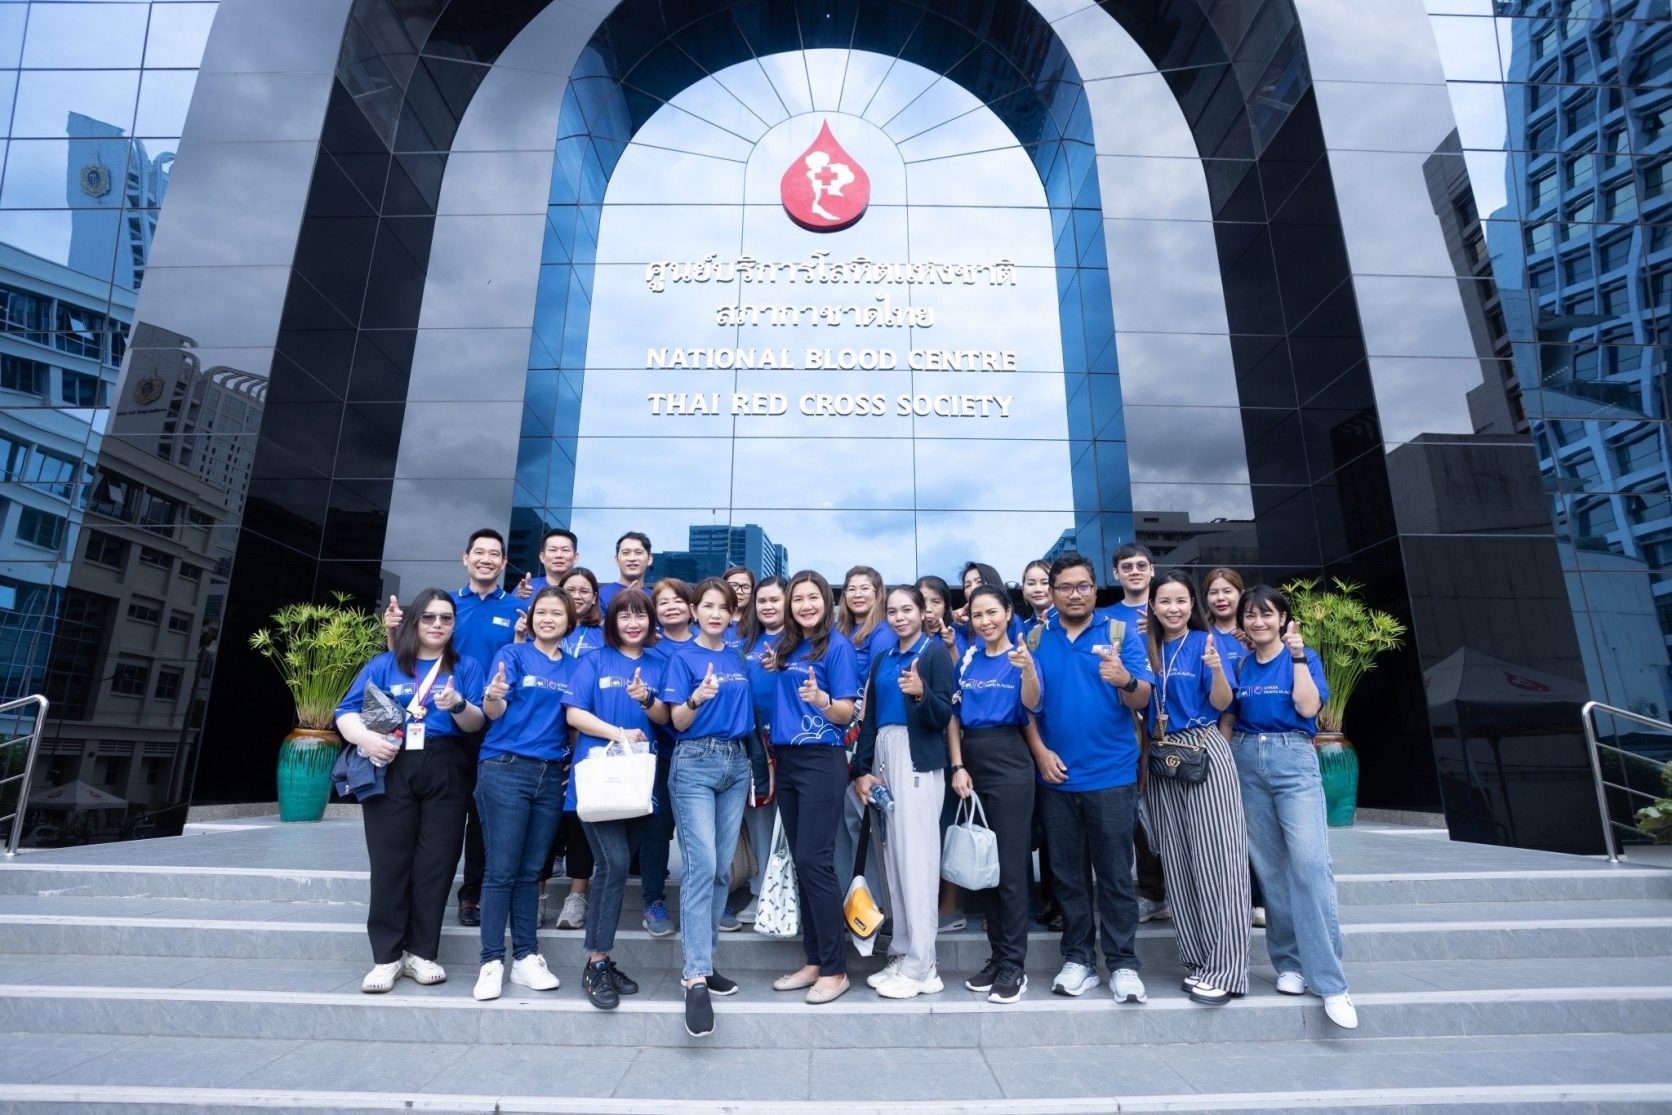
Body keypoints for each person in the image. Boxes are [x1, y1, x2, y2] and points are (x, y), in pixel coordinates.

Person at [1220, 585, 1357, 1030]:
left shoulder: (1305, 657)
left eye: (1267, 614)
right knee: (1271, 869)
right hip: (1246, 758)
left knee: (1310, 864)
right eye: (1251, 615)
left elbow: (1308, 706)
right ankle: (1290, 963)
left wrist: (1297, 657)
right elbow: (1230, 717)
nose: (1258, 622)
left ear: (1283, 619)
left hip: (1293, 758)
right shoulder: (1241, 663)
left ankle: (1330, 981)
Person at [337, 589, 485, 993]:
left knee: (437, 862)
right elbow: (346, 712)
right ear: (414, 621)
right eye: (429, 617)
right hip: (391, 762)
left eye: (446, 618)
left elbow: (476, 724)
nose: (437, 625)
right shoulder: (385, 664)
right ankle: (386, 957)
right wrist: (368, 740)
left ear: (454, 625)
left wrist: (458, 705)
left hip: (447, 764)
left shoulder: (465, 666)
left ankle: (422, 953)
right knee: (390, 862)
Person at [1030, 552, 1153, 1004]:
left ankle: (1123, 964)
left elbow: (1143, 699)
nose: (1075, 594)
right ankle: (1079, 960)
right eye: (1065, 587)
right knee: (1068, 877)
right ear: (1052, 592)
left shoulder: (1119, 632)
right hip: (1057, 777)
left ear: (1095, 589)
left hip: (1112, 774)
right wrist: (1040, 753)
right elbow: (1027, 707)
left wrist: (1124, 679)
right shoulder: (1036, 638)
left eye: (1083, 586)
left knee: (1116, 876)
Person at [659, 577, 763, 1037]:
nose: (716, 613)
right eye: (708, 606)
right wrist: (696, 698)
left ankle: (707, 959)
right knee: (701, 866)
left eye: (725, 607)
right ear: (694, 611)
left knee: (722, 869)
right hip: (695, 762)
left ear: (734, 614)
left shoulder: (737, 655)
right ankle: (695, 975)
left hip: (735, 764)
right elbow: (677, 721)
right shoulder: (682, 658)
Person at [1143, 572, 1247, 1006]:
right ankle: (1199, 961)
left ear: (1193, 605)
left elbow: (1223, 703)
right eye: (1165, 601)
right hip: (1162, 758)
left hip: (1203, 748)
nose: (1173, 608)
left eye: (1181, 601)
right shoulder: (1146, 648)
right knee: (1179, 863)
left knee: (1217, 862)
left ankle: (1227, 969)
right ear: (1152, 606)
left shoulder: (1208, 642)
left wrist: (1218, 669)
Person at [562, 588, 669, 1009]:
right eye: (624, 615)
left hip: (640, 781)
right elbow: (574, 713)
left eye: (640, 615)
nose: (633, 623)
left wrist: (647, 700)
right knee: (614, 863)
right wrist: (620, 733)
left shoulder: (660, 663)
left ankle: (600, 960)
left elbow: (665, 717)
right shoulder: (594, 660)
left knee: (615, 868)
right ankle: (596, 962)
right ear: (612, 621)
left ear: (650, 621)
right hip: (600, 779)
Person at [470, 586, 576, 1001]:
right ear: (531, 618)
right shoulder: (512, 655)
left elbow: (574, 719)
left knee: (532, 871)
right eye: (541, 612)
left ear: (569, 621)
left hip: (550, 775)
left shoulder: (575, 666)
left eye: (557, 613)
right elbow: (494, 711)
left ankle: (526, 958)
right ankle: (491, 961)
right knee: (501, 870)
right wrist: (492, 697)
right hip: (505, 768)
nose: (548, 619)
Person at [852, 585, 955, 999]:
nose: (899, 617)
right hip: (883, 752)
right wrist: (862, 770)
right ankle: (903, 952)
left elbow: (944, 714)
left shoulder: (934, 654)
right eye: (892, 611)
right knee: (894, 863)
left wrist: (921, 693)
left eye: (907, 609)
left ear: (923, 611)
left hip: (917, 758)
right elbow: (870, 719)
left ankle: (923, 966)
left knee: (917, 862)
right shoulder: (883, 658)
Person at [947, 584, 1045, 1004]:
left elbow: (1033, 705)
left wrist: (1028, 671)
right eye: (977, 615)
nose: (985, 621)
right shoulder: (968, 659)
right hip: (972, 762)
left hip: (1010, 761)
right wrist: (957, 766)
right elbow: (953, 717)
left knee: (1010, 869)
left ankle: (1013, 966)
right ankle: (997, 956)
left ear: (1008, 613)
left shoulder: (1023, 656)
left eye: (992, 612)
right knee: (983, 865)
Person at [768, 570, 859, 1006]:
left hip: (822, 760)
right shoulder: (786, 646)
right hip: (787, 759)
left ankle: (836, 970)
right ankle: (814, 960)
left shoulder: (837, 647)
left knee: (815, 862)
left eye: (813, 598)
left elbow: (845, 712)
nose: (805, 605)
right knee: (802, 864)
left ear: (827, 602)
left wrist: (821, 700)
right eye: (798, 598)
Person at [438, 530, 525, 929]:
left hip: (496, 724)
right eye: (479, 552)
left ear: (504, 563)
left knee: (483, 811)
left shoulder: (519, 609)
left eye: (494, 554)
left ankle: (471, 894)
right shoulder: (446, 606)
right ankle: (434, 887)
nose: (486, 559)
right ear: (466, 558)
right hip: (447, 718)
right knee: (448, 809)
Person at [1104, 543, 1168, 924]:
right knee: (1139, 811)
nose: (1134, 571)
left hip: (1174, 722)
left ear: (1152, 569)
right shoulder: (1107, 618)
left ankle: (1182, 889)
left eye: (1141, 565)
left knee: (1173, 813)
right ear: (1116, 574)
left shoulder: (1168, 607)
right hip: (1131, 723)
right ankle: (1151, 891)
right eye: (1126, 566)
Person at [1203, 565, 1264, 928]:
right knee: (1224, 828)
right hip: (1213, 741)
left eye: (1227, 590)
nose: (1221, 598)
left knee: (1252, 823)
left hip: (1250, 738)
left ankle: (1259, 898)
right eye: (1214, 592)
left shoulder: (1253, 634)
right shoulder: (1201, 636)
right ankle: (1232, 898)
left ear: (1240, 594)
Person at [640, 578, 698, 936]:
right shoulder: (649, 651)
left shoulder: (709, 643)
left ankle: (712, 900)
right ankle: (653, 902)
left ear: (692, 608)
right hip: (662, 751)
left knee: (701, 832)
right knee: (657, 830)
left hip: (702, 754)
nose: (671, 607)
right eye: (663, 602)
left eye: (678, 600)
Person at [736, 574, 788, 925]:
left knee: (794, 824)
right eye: (762, 601)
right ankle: (761, 895)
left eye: (775, 600)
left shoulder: (802, 642)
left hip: (792, 742)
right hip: (755, 744)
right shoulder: (745, 644)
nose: (768, 606)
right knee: (759, 822)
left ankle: (791, 893)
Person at [599, 531, 652, 609]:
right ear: (616, 560)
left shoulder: (656, 598)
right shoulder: (601, 595)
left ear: (649, 559)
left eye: (638, 552)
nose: (632, 558)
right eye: (626, 553)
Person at [559, 568, 605, 657]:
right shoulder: (547, 627)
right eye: (570, 590)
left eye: (584, 591)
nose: (576, 596)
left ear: (594, 597)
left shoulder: (606, 635)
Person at [526, 527, 579, 594]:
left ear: (575, 557)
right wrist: (518, 597)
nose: (559, 555)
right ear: (542, 557)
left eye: (565, 550)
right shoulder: (527, 588)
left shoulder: (586, 590)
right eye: (552, 550)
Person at [1020, 559, 1053, 632]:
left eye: (1045, 583)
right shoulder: (1022, 627)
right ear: (1023, 590)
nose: (1038, 589)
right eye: (1031, 583)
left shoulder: (1068, 620)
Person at [723, 566, 755, 631]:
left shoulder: (759, 623)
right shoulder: (709, 618)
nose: (739, 592)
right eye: (734, 585)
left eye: (746, 587)